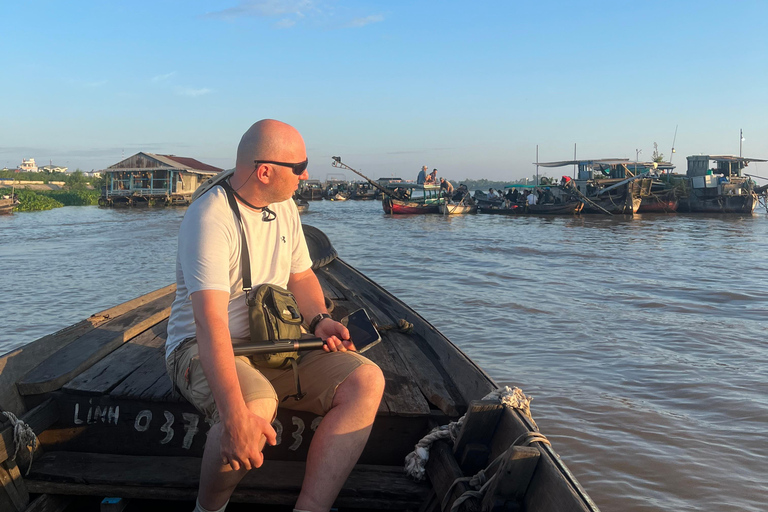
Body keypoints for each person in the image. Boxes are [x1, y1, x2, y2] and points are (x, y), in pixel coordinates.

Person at [165, 119, 385, 512]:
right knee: (254, 407)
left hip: (275, 340)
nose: (305, 175)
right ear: (264, 171)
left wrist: (318, 319)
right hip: (202, 347)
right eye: (298, 167)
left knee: (366, 380)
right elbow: (209, 323)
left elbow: (300, 276)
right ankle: (208, 508)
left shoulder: (283, 207)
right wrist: (233, 418)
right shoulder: (210, 218)